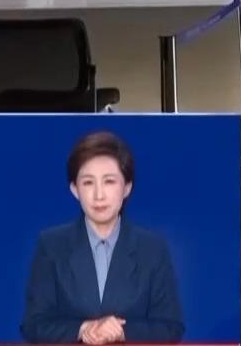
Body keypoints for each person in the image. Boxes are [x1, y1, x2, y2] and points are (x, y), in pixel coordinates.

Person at [21, 131, 184, 345]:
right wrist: (83, 328)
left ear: (127, 187)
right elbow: (33, 325)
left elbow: (171, 327)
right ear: (74, 189)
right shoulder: (51, 245)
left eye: (109, 181)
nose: (99, 195)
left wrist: (121, 332)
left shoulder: (153, 249)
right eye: (88, 183)